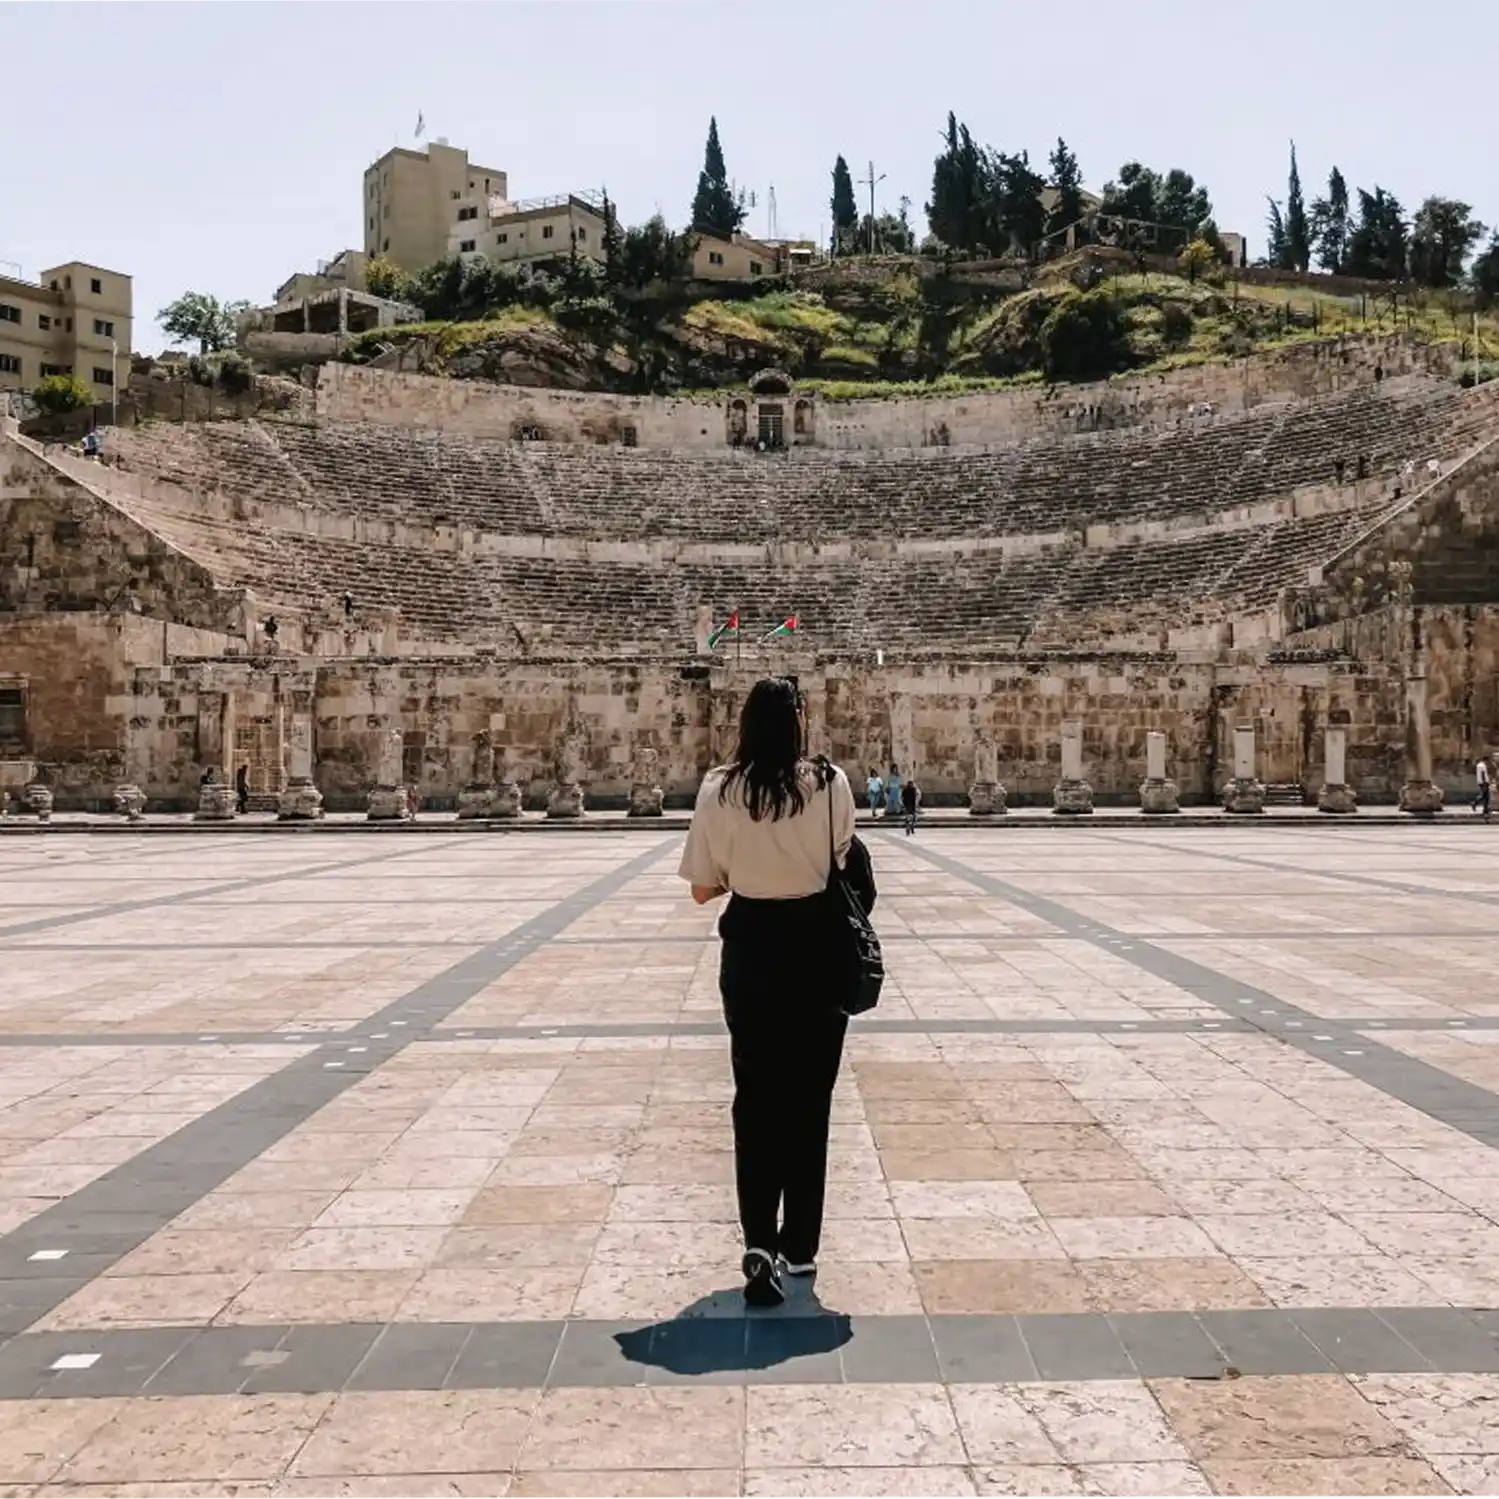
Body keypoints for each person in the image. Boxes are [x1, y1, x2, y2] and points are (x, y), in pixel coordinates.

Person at [678, 677, 856, 1308]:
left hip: (751, 952)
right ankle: (799, 1247)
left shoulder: (717, 791)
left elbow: (702, 889)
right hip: (817, 953)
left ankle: (758, 1240)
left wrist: (746, 870)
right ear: (801, 725)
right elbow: (838, 864)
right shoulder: (831, 786)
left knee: (755, 1099)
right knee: (810, 1102)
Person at [1475, 753, 1493, 820]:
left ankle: (1484, 809)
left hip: (1482, 782)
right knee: (1486, 797)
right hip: (1484, 783)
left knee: (1484, 796)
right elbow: (1483, 774)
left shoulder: (1479, 765)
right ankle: (1484, 810)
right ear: (1486, 760)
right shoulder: (1482, 766)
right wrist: (1485, 784)